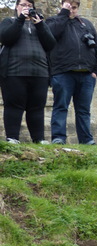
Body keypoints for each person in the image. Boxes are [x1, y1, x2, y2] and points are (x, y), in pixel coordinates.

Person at [46, 0, 97, 145]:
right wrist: (64, 14)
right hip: (63, 72)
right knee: (61, 106)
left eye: (74, 8)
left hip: (86, 74)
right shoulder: (53, 21)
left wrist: (96, 70)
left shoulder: (86, 24)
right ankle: (58, 138)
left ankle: (86, 140)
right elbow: (52, 34)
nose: (72, 10)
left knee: (83, 110)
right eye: (69, 7)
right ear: (63, 6)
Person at [0, 0, 55, 144]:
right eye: (23, 5)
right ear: (16, 7)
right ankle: (12, 138)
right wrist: (19, 20)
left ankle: (39, 139)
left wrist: (40, 24)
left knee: (36, 107)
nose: (26, 8)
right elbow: (6, 38)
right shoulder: (9, 21)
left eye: (29, 6)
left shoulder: (40, 24)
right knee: (13, 106)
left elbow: (50, 44)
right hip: (13, 72)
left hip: (40, 73)